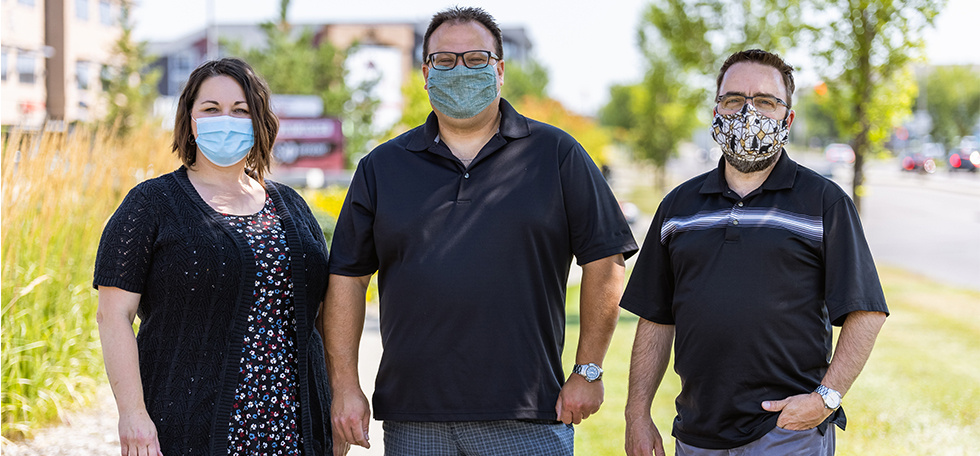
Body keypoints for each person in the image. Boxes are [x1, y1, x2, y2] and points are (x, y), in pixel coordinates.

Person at [322, 6, 638, 456]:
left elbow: (605, 260)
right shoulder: (382, 167)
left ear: (501, 70)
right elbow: (347, 278)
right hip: (414, 420)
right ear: (426, 72)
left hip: (527, 414)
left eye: (476, 59)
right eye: (445, 61)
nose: (460, 70)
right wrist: (345, 385)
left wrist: (588, 370)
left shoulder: (555, 154)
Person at [621, 49, 889, 456]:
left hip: (786, 431)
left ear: (789, 118)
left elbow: (866, 311)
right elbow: (656, 319)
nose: (748, 112)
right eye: (733, 100)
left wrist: (825, 399)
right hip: (696, 434)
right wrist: (637, 415)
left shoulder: (823, 202)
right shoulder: (678, 207)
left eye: (765, 101)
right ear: (716, 111)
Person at [95, 57, 340, 456]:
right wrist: (132, 414)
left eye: (241, 111)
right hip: (193, 427)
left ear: (259, 122)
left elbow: (325, 313)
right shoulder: (151, 204)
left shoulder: (291, 206)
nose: (226, 119)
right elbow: (113, 315)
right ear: (190, 122)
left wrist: (336, 398)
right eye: (211, 109)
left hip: (296, 427)